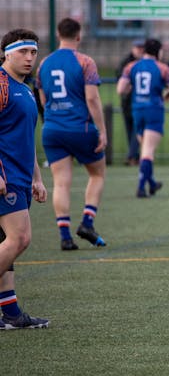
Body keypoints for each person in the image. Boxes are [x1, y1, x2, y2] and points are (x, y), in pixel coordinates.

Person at [35, 18, 108, 251]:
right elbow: (92, 99)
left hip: (52, 129)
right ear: (79, 36)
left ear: (58, 34)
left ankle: (65, 237)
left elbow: (43, 99)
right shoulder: (85, 61)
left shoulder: (44, 63)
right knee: (97, 174)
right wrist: (102, 131)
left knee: (61, 183)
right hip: (81, 128)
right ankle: (87, 222)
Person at [0, 28, 50, 329]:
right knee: (20, 238)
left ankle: (12, 313)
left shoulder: (25, 89)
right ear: (6, 53)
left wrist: (37, 178)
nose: (30, 57)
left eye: (33, 52)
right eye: (23, 52)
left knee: (8, 243)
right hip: (5, 177)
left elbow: (26, 139)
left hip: (20, 177)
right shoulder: (1, 84)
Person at [117, 38, 169, 197]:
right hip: (154, 110)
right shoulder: (162, 68)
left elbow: (120, 89)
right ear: (158, 52)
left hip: (137, 110)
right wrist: (167, 92)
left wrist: (134, 88)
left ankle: (152, 183)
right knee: (148, 151)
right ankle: (141, 187)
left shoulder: (131, 66)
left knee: (145, 147)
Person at [117, 39, 145, 165]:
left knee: (136, 129)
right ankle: (135, 156)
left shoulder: (145, 63)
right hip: (127, 102)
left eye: (141, 48)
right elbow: (119, 77)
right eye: (137, 48)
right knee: (130, 130)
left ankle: (131, 155)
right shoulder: (126, 63)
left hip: (139, 102)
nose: (139, 50)